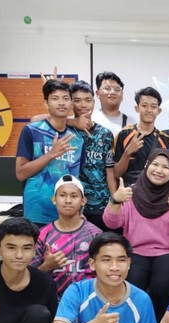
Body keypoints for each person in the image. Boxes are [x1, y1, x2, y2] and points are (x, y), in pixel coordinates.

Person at [104, 148, 169, 323]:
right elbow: (111, 223)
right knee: (133, 282)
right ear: (146, 166)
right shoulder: (130, 193)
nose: (159, 170)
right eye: (155, 164)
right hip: (135, 250)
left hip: (168, 251)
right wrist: (115, 201)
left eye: (166, 167)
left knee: (164, 285)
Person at [16, 79, 85, 227]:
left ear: (71, 104)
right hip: (36, 214)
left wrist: (80, 209)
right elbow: (20, 173)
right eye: (55, 98)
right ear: (46, 103)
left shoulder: (78, 139)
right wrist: (51, 154)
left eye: (66, 98)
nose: (61, 103)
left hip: (68, 215)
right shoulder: (31, 131)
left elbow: (77, 178)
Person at [31, 175, 102, 299]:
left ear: (83, 201)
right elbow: (29, 277)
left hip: (87, 299)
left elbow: (104, 271)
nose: (68, 200)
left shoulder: (95, 234)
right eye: (62, 195)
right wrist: (47, 266)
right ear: (54, 199)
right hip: (52, 301)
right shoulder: (42, 235)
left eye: (74, 196)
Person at [70, 81, 116, 230]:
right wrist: (72, 122)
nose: (83, 105)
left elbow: (109, 171)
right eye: (77, 100)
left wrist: (114, 201)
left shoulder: (105, 134)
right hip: (72, 206)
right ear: (71, 102)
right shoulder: (65, 130)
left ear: (94, 102)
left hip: (101, 205)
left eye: (88, 100)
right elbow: (35, 120)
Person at [113, 86, 169, 186]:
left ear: (159, 111)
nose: (149, 110)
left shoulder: (166, 140)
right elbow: (116, 174)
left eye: (153, 107)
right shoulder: (124, 134)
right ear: (137, 108)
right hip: (130, 192)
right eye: (144, 105)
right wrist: (127, 152)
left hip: (156, 193)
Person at [92, 71, 136, 137]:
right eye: (107, 88)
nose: (112, 92)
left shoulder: (131, 123)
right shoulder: (91, 118)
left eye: (117, 89)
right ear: (97, 94)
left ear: (122, 95)